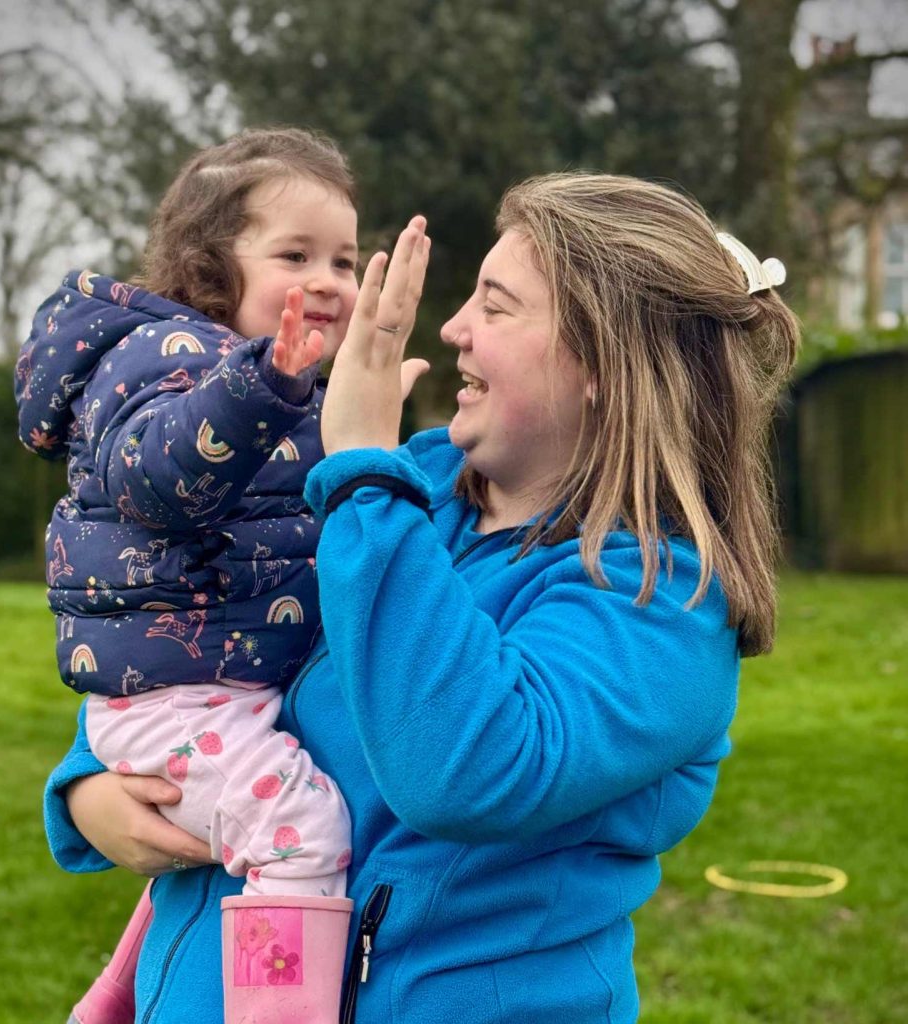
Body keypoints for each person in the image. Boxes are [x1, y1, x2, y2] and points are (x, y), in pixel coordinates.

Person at [47, 171, 798, 1023]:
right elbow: (207, 632)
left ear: (602, 366)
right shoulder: (414, 493)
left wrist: (366, 475)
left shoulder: (661, 606)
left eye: (496, 305)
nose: (453, 329)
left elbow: (464, 772)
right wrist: (88, 789)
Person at [17, 127, 368, 1024]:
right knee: (301, 835)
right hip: (182, 699)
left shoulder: (291, 391)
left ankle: (118, 995)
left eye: (345, 258)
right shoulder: (168, 359)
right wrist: (264, 389)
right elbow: (158, 483)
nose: (329, 279)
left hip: (216, 688)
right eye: (296, 254)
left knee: (243, 839)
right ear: (211, 268)